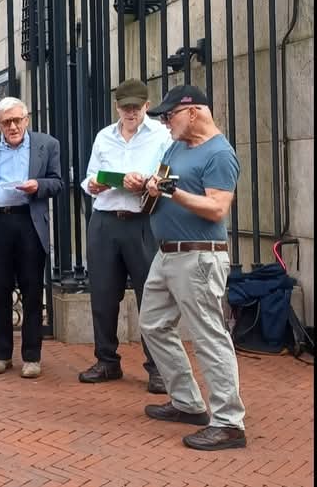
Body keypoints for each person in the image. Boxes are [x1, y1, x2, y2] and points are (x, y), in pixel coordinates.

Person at [140, 85, 246, 451]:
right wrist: (150, 186)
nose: (165, 122)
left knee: (209, 337)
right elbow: (165, 184)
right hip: (166, 254)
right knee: (152, 324)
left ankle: (230, 423)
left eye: (170, 116)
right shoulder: (176, 147)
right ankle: (187, 403)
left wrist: (170, 191)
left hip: (200, 256)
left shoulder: (219, 154)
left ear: (194, 112)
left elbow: (217, 209)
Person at [79, 79, 172, 393]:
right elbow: (90, 175)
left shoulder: (161, 135)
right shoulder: (105, 136)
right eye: (125, 106)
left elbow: (169, 176)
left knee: (151, 295)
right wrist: (93, 184)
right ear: (116, 106)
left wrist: (146, 180)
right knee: (103, 295)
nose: (130, 112)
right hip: (105, 220)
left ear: (147, 105)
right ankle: (106, 360)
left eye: (136, 106)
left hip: (143, 220)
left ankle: (158, 368)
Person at [0, 96, 63, 379]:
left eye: (17, 120)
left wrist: (39, 185)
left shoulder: (47, 145)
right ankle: (1, 354)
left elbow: (58, 182)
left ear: (27, 119)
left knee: (32, 291)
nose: (12, 126)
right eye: (6, 122)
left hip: (29, 223)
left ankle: (32, 356)